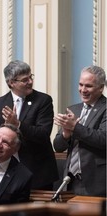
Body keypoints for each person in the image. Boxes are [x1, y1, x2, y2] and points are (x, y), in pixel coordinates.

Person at [0, 60, 58, 190]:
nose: (30, 82)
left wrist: (18, 124)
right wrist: (5, 129)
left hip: (37, 172)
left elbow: (43, 134)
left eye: (31, 77)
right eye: (25, 79)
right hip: (7, 170)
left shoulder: (43, 101)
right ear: (11, 83)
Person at [53, 65, 106, 197]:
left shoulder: (105, 108)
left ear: (101, 88)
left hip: (97, 181)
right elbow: (58, 147)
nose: (83, 90)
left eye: (88, 86)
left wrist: (75, 127)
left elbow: (104, 139)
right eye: (80, 84)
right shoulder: (73, 109)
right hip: (70, 180)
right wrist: (66, 133)